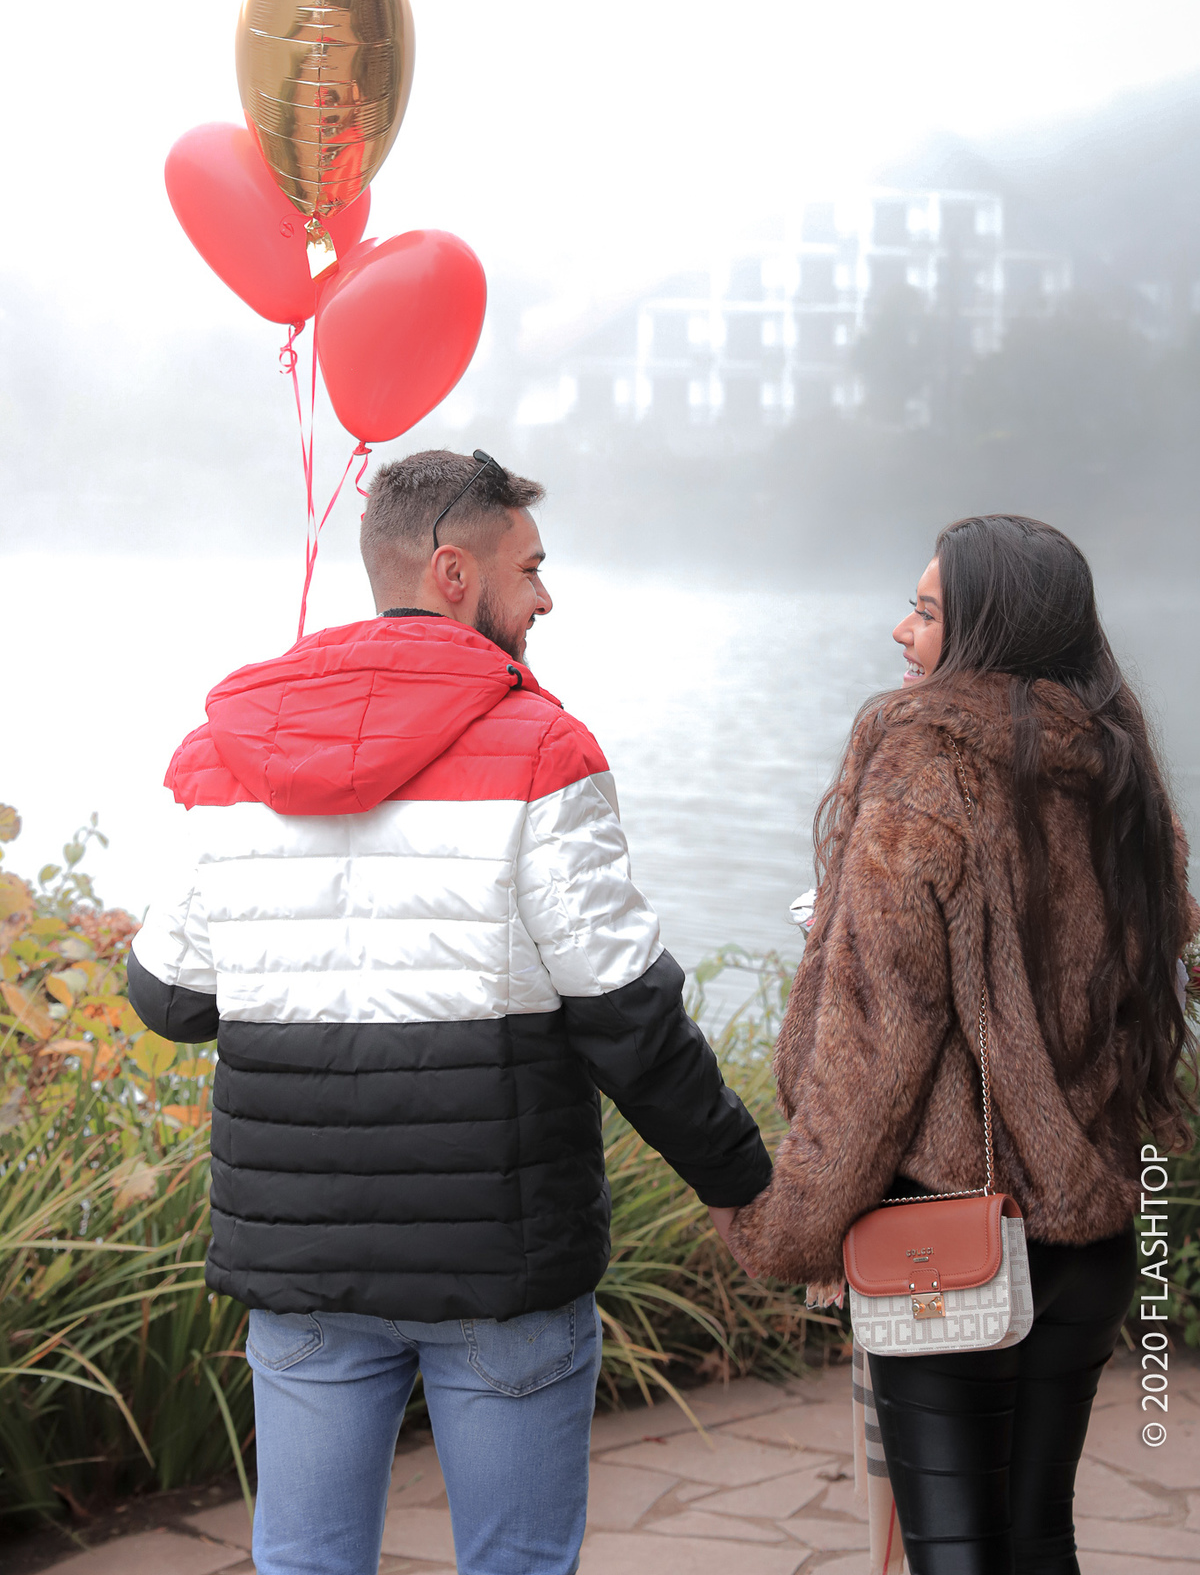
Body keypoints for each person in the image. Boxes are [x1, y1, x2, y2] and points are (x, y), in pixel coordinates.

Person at [126, 449, 771, 1575]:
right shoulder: (542, 750)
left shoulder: (230, 753)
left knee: (304, 1564)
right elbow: (628, 1017)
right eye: (531, 568)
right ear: (453, 573)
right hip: (501, 1264)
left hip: (304, 1259)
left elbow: (171, 999)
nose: (547, 596)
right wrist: (739, 1182)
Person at [728, 513, 1198, 1575]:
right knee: (1039, 1536)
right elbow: (1157, 961)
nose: (902, 631)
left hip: (952, 1239)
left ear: (990, 622)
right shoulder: (1121, 770)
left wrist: (785, 1222)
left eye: (928, 610)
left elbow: (879, 1040)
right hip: (1092, 1235)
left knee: (955, 1552)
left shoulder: (927, 765)